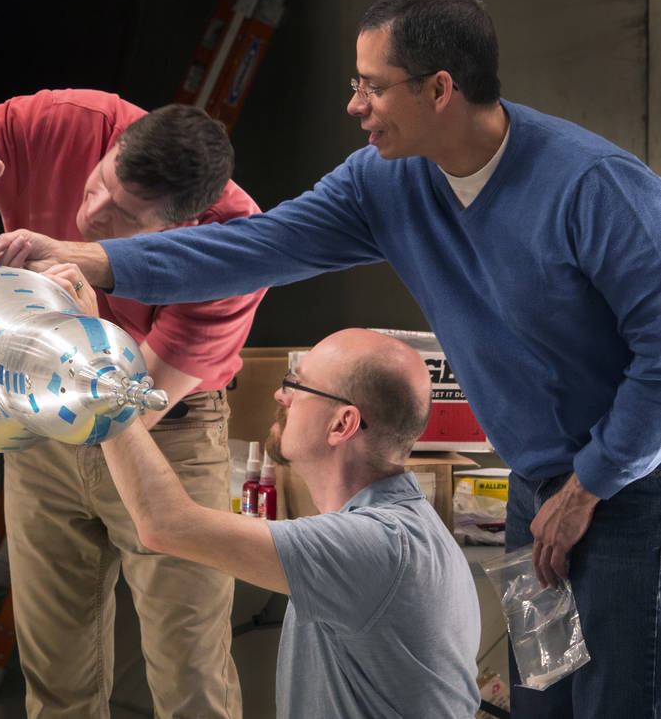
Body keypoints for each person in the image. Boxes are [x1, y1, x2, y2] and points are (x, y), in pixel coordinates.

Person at [0, 0, 661, 718]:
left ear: (439, 89)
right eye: (353, 84)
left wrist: (587, 486)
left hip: (626, 492)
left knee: (614, 701)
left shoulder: (592, 188)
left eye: (372, 86)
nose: (354, 104)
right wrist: (93, 260)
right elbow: (254, 247)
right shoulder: (386, 181)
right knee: (543, 693)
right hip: (540, 491)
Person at [0, 89, 265, 718]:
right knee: (54, 669)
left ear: (181, 226)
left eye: (125, 216)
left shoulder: (233, 245)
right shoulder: (72, 123)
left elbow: (136, 406)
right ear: (110, 149)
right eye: (99, 183)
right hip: (39, 422)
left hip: (162, 441)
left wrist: (81, 324)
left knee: (192, 678)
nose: (91, 215)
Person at [31, 298, 479, 718]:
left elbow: (165, 524)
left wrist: (99, 368)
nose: (280, 396)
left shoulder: (376, 546)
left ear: (343, 424)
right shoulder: (398, 528)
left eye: (297, 385)